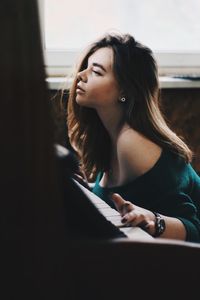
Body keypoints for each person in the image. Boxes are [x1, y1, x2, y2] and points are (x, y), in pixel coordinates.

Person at [67, 32, 200, 243]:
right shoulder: (112, 136)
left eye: (96, 72)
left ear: (125, 90)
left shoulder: (132, 143)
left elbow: (194, 229)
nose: (81, 75)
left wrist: (153, 221)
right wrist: (89, 190)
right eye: (85, 67)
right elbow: (129, 193)